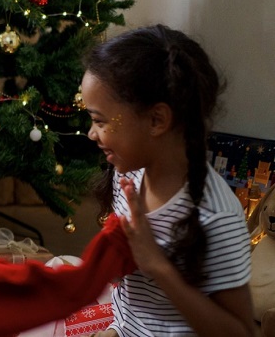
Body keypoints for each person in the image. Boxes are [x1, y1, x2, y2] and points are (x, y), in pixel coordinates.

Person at [80, 25, 254, 336]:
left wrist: (158, 267)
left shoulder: (216, 216)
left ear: (157, 120)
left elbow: (239, 331)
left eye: (99, 121)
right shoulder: (129, 175)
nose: (92, 133)